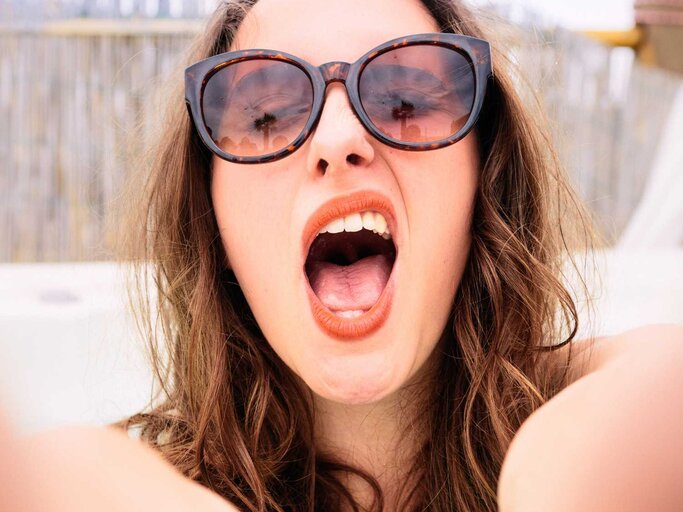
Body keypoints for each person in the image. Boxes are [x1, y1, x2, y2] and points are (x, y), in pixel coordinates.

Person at [9, 0, 682, 511]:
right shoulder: (108, 482)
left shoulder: (629, 405)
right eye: (266, 117)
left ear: (483, 186)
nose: (338, 136)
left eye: (407, 100)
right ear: (213, 224)